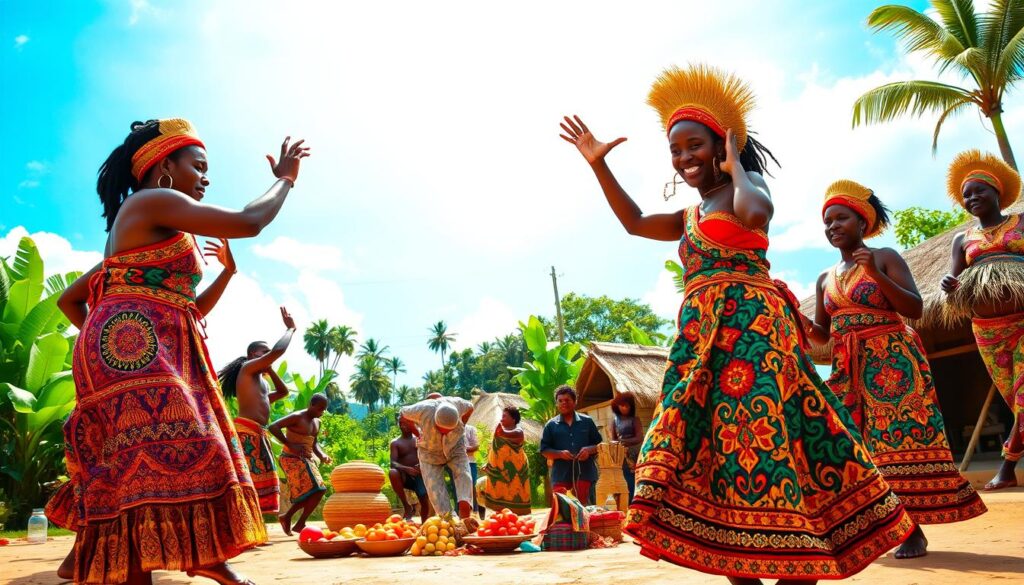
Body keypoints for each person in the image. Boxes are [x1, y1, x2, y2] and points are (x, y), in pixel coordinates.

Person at [559, 65, 913, 584]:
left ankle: (803, 563)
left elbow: (756, 215)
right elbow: (635, 222)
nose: (684, 159)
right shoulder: (688, 216)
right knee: (712, 451)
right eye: (676, 151)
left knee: (770, 439)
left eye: (694, 146)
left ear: (721, 144)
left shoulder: (745, 188)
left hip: (753, 334)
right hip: (701, 342)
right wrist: (598, 166)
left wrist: (736, 164)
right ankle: (737, 565)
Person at [44, 118, 308, 585]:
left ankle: (197, 554)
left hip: (133, 344)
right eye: (198, 166)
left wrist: (222, 278)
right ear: (164, 164)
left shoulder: (151, 225)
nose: (205, 178)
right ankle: (164, 562)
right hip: (132, 349)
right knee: (176, 449)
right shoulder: (153, 200)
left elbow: (184, 308)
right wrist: (285, 178)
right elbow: (250, 221)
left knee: (161, 454)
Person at [805, 180, 986, 559]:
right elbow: (821, 334)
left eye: (841, 218)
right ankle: (875, 525)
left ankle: (912, 531)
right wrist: (794, 314)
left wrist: (876, 274)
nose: (832, 226)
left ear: (861, 221)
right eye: (827, 221)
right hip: (847, 367)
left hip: (891, 362)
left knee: (897, 444)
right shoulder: (824, 278)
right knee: (851, 446)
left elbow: (915, 309)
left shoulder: (884, 256)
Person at [941, 149, 1024, 491]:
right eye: (966, 195)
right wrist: (948, 284)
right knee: (1013, 398)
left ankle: (1006, 467)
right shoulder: (962, 239)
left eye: (979, 191)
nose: (972, 198)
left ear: (997, 193)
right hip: (988, 331)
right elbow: (951, 284)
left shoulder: (1021, 223)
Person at [217, 306, 297, 516]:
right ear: (253, 355)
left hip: (259, 433)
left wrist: (270, 368)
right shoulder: (248, 370)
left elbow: (284, 391)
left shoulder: (261, 382)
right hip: (246, 433)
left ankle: (254, 523)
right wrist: (290, 329)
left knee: (262, 480)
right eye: (264, 352)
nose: (269, 355)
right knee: (249, 481)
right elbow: (278, 351)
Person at [398, 395, 475, 518]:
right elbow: (402, 414)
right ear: (435, 419)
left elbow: (471, 407)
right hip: (429, 452)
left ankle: (465, 515)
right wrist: (417, 433)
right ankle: (449, 520)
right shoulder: (424, 409)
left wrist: (463, 424)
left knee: (464, 475)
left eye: (449, 429)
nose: (445, 432)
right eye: (441, 429)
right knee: (435, 489)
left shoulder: (459, 404)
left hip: (455, 446)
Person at [268, 393, 331, 535]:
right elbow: (273, 426)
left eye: (324, 409)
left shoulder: (317, 422)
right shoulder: (297, 416)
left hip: (306, 459)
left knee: (316, 491)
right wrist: (290, 444)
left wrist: (322, 455)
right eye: (320, 409)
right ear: (311, 405)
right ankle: (295, 520)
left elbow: (314, 444)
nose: (322, 412)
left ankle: (290, 518)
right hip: (290, 458)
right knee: (318, 489)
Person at [539, 386, 602, 506]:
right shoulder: (551, 425)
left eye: (567, 400)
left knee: (584, 511)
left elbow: (599, 445)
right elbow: (544, 450)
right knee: (562, 511)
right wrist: (560, 454)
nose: (563, 403)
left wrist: (589, 450)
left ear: (574, 402)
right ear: (556, 403)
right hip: (560, 475)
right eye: (560, 401)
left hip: (585, 474)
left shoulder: (587, 421)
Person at [476, 405, 531, 516]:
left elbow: (517, 436)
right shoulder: (501, 431)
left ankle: (513, 519)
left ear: (513, 419)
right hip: (499, 470)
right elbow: (498, 451)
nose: (501, 419)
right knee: (481, 486)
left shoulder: (517, 431)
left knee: (514, 496)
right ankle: (492, 515)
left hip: (515, 471)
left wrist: (502, 433)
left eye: (504, 416)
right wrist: (489, 463)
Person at [389, 414, 431, 522]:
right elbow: (393, 462)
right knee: (393, 472)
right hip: (404, 476)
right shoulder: (395, 443)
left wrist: (422, 466)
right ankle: (406, 506)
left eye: (406, 423)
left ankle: (424, 523)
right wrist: (407, 469)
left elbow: (430, 454)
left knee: (423, 497)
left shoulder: (419, 438)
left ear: (412, 423)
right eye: (401, 423)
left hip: (420, 474)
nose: (403, 426)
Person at [609, 391, 645, 504]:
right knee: (623, 479)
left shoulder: (635, 420)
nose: (624, 408)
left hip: (635, 454)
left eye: (627, 405)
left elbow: (639, 438)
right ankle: (624, 504)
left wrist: (623, 441)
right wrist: (618, 444)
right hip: (620, 455)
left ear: (631, 406)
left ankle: (636, 503)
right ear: (617, 406)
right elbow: (612, 439)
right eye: (622, 405)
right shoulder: (614, 421)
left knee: (635, 478)